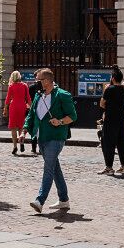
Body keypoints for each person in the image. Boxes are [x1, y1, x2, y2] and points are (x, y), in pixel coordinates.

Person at [24, 67, 75, 213]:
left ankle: (40, 200)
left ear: (46, 81)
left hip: (56, 137)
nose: (36, 82)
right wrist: (25, 130)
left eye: (38, 80)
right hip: (42, 137)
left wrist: (59, 122)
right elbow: (32, 115)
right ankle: (64, 200)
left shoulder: (62, 95)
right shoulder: (38, 95)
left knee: (48, 169)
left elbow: (73, 116)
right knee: (54, 168)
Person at [98, 68, 124, 176]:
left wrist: (105, 91)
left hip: (110, 118)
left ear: (112, 78)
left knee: (108, 142)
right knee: (121, 142)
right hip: (121, 118)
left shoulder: (109, 89)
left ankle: (109, 167)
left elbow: (102, 104)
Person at [3, 71, 31, 155]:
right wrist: (31, 106)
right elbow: (28, 97)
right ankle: (21, 143)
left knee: (13, 128)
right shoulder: (24, 85)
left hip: (13, 106)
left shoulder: (11, 86)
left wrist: (5, 109)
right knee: (21, 126)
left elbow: (8, 99)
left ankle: (15, 146)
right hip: (22, 106)